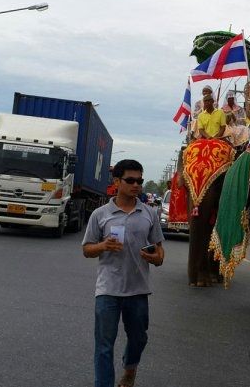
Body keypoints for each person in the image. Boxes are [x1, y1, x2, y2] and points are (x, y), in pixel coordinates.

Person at [82, 159, 165, 387]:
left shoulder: (149, 213)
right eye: (130, 180)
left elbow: (159, 251)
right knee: (104, 345)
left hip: (138, 289)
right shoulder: (100, 214)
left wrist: (155, 258)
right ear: (117, 182)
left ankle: (130, 369)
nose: (136, 185)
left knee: (139, 338)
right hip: (108, 289)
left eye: (139, 180)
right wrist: (103, 246)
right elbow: (87, 249)